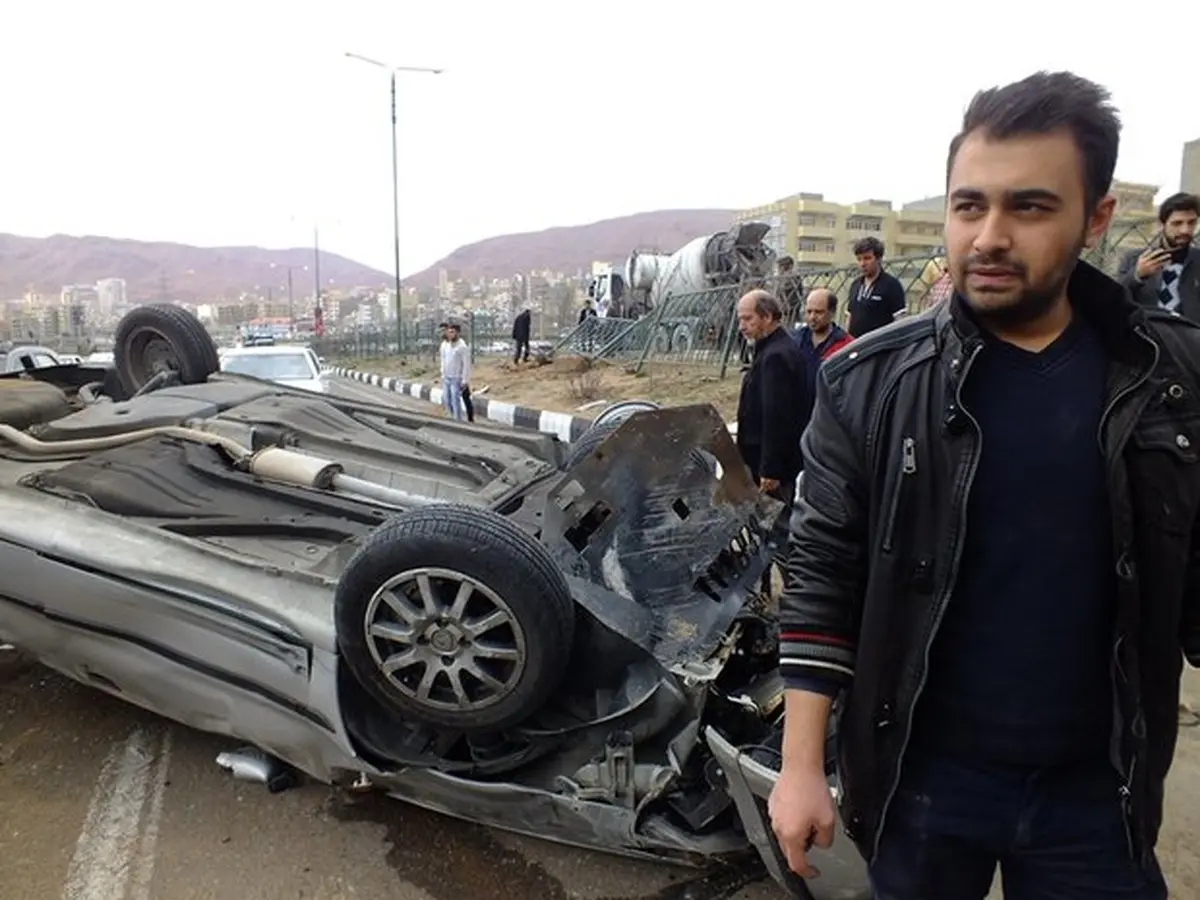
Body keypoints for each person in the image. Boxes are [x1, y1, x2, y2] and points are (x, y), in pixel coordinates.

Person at [769, 70, 1200, 899]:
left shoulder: (1172, 376)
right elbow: (822, 575)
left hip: (1097, 790)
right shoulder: (868, 385)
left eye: (1029, 207)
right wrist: (800, 767)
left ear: (1097, 217)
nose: (990, 236)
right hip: (923, 783)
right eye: (970, 206)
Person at [734, 289, 812, 581]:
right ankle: (771, 586)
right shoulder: (771, 349)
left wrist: (770, 470)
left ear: (767, 317)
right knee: (767, 531)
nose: (742, 326)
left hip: (771, 470)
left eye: (748, 319)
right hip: (767, 464)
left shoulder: (777, 356)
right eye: (740, 319)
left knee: (778, 532)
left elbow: (776, 417)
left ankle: (800, 589)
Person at [1117, 192, 1199, 319]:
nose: (1185, 230)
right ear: (1161, 225)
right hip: (1147, 328)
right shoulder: (1134, 259)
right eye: (1177, 223)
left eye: (1191, 223)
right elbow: (1115, 298)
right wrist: (1137, 275)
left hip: (1189, 330)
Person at [845, 236, 908, 337]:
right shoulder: (855, 285)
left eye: (867, 258)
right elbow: (849, 317)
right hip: (856, 343)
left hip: (879, 344)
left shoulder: (892, 285)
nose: (862, 264)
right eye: (859, 259)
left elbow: (900, 321)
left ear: (879, 259)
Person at [791, 288, 853, 390]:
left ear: (832, 313)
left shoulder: (845, 346)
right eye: (809, 311)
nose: (812, 317)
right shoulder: (795, 340)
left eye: (818, 312)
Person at [438, 321, 471, 421]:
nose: (450, 334)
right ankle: (452, 417)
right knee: (446, 400)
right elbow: (443, 359)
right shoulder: (445, 345)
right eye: (449, 332)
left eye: (452, 332)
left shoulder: (462, 346)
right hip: (446, 377)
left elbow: (466, 364)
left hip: (456, 378)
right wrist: (442, 373)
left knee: (455, 400)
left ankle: (458, 421)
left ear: (457, 333)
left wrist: (464, 380)